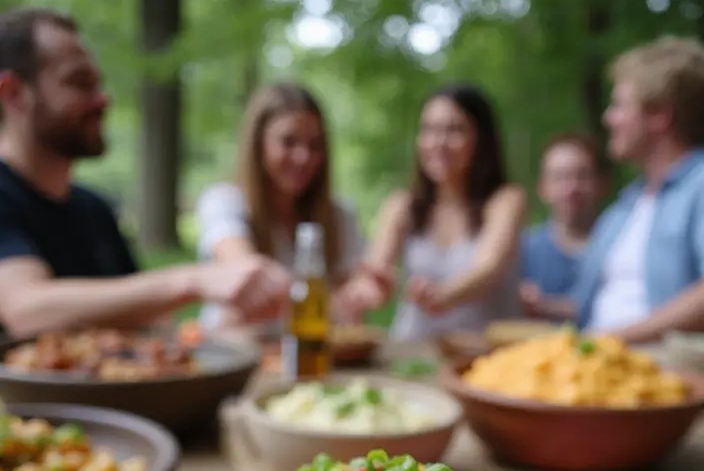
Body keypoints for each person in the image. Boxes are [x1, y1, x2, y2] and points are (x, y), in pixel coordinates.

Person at [0, 8, 290, 339]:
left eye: (98, 84)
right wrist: (193, 280)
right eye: (80, 82)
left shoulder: (94, 210)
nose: (102, 99)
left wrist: (223, 329)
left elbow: (144, 327)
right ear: (12, 93)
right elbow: (25, 308)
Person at [339, 83, 525, 341]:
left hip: (488, 357)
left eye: (454, 130)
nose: (438, 143)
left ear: (481, 138)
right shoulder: (401, 205)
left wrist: (442, 295)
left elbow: (488, 271)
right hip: (414, 352)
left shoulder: (505, 200)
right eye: (428, 130)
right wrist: (370, 288)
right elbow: (377, 268)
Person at [196, 82, 374, 334]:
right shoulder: (223, 202)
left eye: (315, 145)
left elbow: (352, 319)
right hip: (236, 357)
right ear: (258, 144)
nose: (304, 157)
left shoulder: (340, 215)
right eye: (288, 142)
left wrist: (362, 292)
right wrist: (328, 303)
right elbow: (248, 274)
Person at [577, 36, 704, 343]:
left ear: (660, 114)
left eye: (619, 105)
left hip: (662, 372)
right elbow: (610, 300)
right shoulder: (627, 203)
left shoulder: (699, 185)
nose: (609, 118)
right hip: (595, 363)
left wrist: (610, 341)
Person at [520, 133, 604, 322]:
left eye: (582, 176)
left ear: (602, 183)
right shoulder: (523, 249)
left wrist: (544, 305)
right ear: (542, 188)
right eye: (560, 178)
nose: (572, 188)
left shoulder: (621, 246)